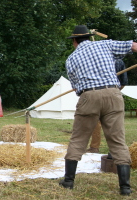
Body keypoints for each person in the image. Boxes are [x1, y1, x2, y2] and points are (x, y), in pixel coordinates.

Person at [59, 25, 137, 196]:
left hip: (89, 96)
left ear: (74, 41)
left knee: (78, 139)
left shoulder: (71, 59)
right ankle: (125, 187)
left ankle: (68, 181)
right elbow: (133, 45)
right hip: (113, 94)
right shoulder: (105, 45)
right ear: (88, 37)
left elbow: (76, 87)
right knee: (117, 140)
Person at [86, 59, 128, 153]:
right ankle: (115, 151)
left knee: (96, 121)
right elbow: (124, 82)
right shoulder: (119, 61)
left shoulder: (97, 60)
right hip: (113, 94)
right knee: (114, 124)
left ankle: (95, 147)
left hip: (96, 93)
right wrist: (114, 91)